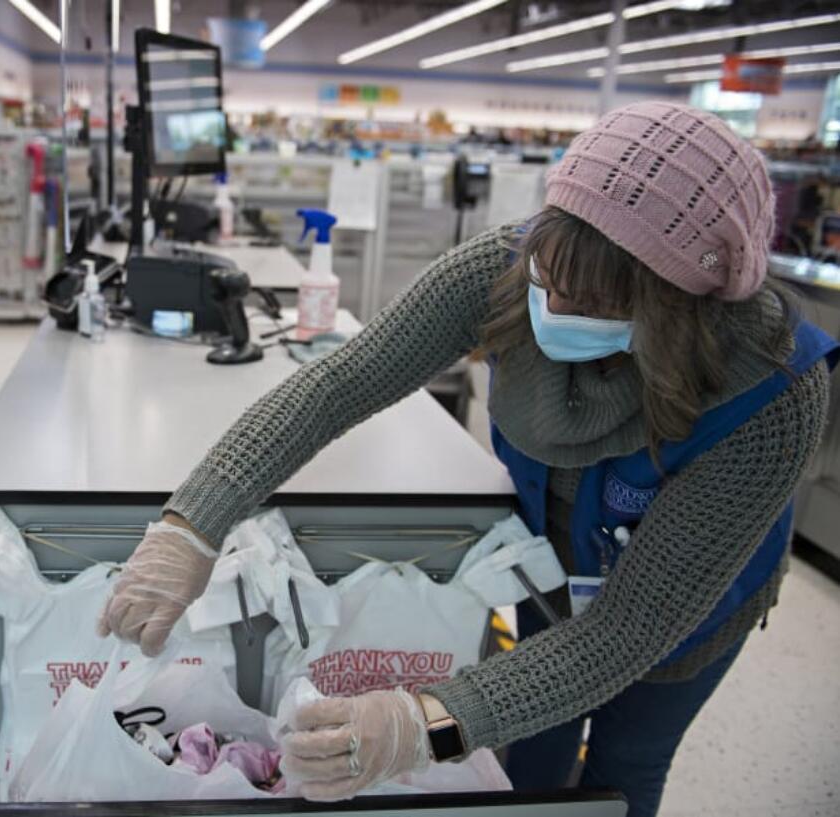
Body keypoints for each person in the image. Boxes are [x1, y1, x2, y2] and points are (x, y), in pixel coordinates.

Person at [97, 101, 836, 816]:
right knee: (529, 750)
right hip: (551, 570)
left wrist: (426, 721)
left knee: (625, 767)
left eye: (593, 299)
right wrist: (194, 520)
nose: (555, 305)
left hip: (681, 614)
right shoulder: (511, 268)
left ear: (680, 306)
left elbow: (626, 632)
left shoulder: (772, 390)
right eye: (551, 272)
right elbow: (338, 383)